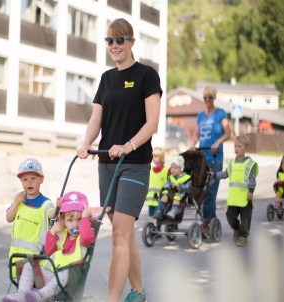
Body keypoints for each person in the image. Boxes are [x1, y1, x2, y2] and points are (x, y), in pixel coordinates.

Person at [77, 18, 162, 302]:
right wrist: (86, 143)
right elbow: (96, 119)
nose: (114, 46)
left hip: (135, 163)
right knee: (122, 233)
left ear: (131, 42)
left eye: (120, 40)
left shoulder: (147, 76)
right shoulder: (106, 78)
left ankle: (112, 299)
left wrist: (128, 145)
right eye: (109, 40)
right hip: (107, 165)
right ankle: (138, 291)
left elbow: (152, 123)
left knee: (118, 237)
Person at [2, 191, 95, 302]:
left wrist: (85, 217)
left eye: (79, 219)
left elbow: (87, 238)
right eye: (70, 220)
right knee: (29, 265)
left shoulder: (85, 235)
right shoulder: (62, 235)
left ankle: (40, 295)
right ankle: (22, 294)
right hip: (51, 275)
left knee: (64, 271)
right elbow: (49, 252)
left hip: (69, 281)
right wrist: (52, 233)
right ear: (63, 221)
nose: (75, 224)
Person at [6, 158, 56, 280]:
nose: (29, 183)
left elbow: (54, 214)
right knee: (22, 288)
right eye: (25, 180)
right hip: (17, 256)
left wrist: (60, 206)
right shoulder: (18, 200)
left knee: (34, 288)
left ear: (41, 180)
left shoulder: (45, 203)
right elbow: (9, 218)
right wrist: (15, 204)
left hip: (37, 258)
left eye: (33, 179)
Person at [190, 85, 231, 228]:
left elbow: (228, 133)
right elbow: (196, 134)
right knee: (201, 192)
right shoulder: (201, 115)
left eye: (210, 98)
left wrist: (218, 142)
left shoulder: (220, 114)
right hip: (202, 158)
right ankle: (210, 221)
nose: (208, 100)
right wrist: (192, 143)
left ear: (214, 98)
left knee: (211, 192)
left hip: (215, 158)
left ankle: (206, 222)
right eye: (205, 98)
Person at [211, 135, 258, 247]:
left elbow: (252, 180)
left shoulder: (249, 164)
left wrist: (251, 191)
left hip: (246, 198)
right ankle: (236, 228)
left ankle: (243, 236)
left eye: (239, 146)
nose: (236, 148)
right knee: (230, 216)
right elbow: (225, 174)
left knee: (245, 219)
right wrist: (214, 175)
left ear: (246, 148)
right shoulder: (232, 163)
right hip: (234, 197)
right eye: (235, 146)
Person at [153, 155, 191, 221]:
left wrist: (180, 186)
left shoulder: (186, 178)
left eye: (175, 168)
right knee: (164, 197)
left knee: (177, 199)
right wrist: (170, 185)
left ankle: (173, 212)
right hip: (170, 193)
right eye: (171, 168)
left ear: (181, 168)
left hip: (180, 193)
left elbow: (188, 187)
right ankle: (159, 211)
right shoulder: (171, 177)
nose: (173, 170)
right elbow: (165, 185)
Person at [145, 147, 170, 219]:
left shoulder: (166, 170)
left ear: (161, 157)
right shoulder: (150, 170)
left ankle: (156, 226)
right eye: (153, 156)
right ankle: (155, 226)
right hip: (151, 199)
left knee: (160, 214)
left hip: (161, 198)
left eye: (156, 156)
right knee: (153, 215)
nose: (153, 158)